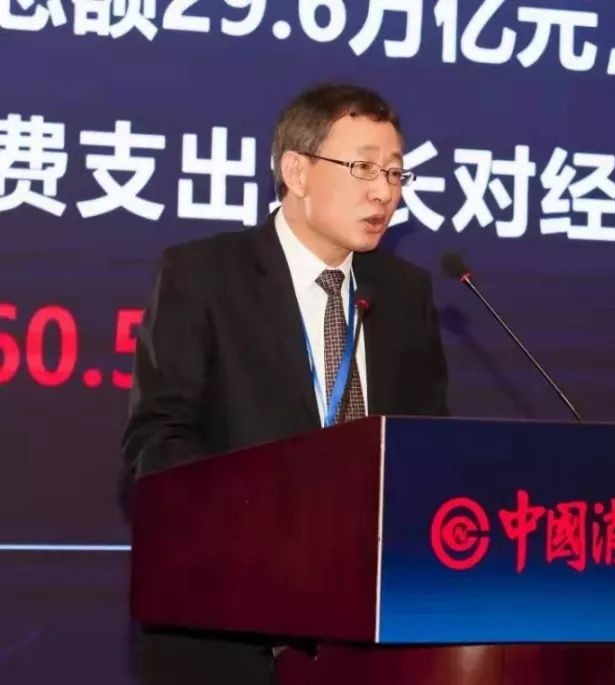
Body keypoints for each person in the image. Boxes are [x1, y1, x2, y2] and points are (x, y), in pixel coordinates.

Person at [121, 83, 449, 684]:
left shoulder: (406, 293)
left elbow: (428, 446)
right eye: (363, 168)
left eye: (395, 172)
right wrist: (263, 532)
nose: (384, 192)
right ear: (296, 171)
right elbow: (158, 440)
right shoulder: (202, 275)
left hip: (372, 637)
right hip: (230, 629)